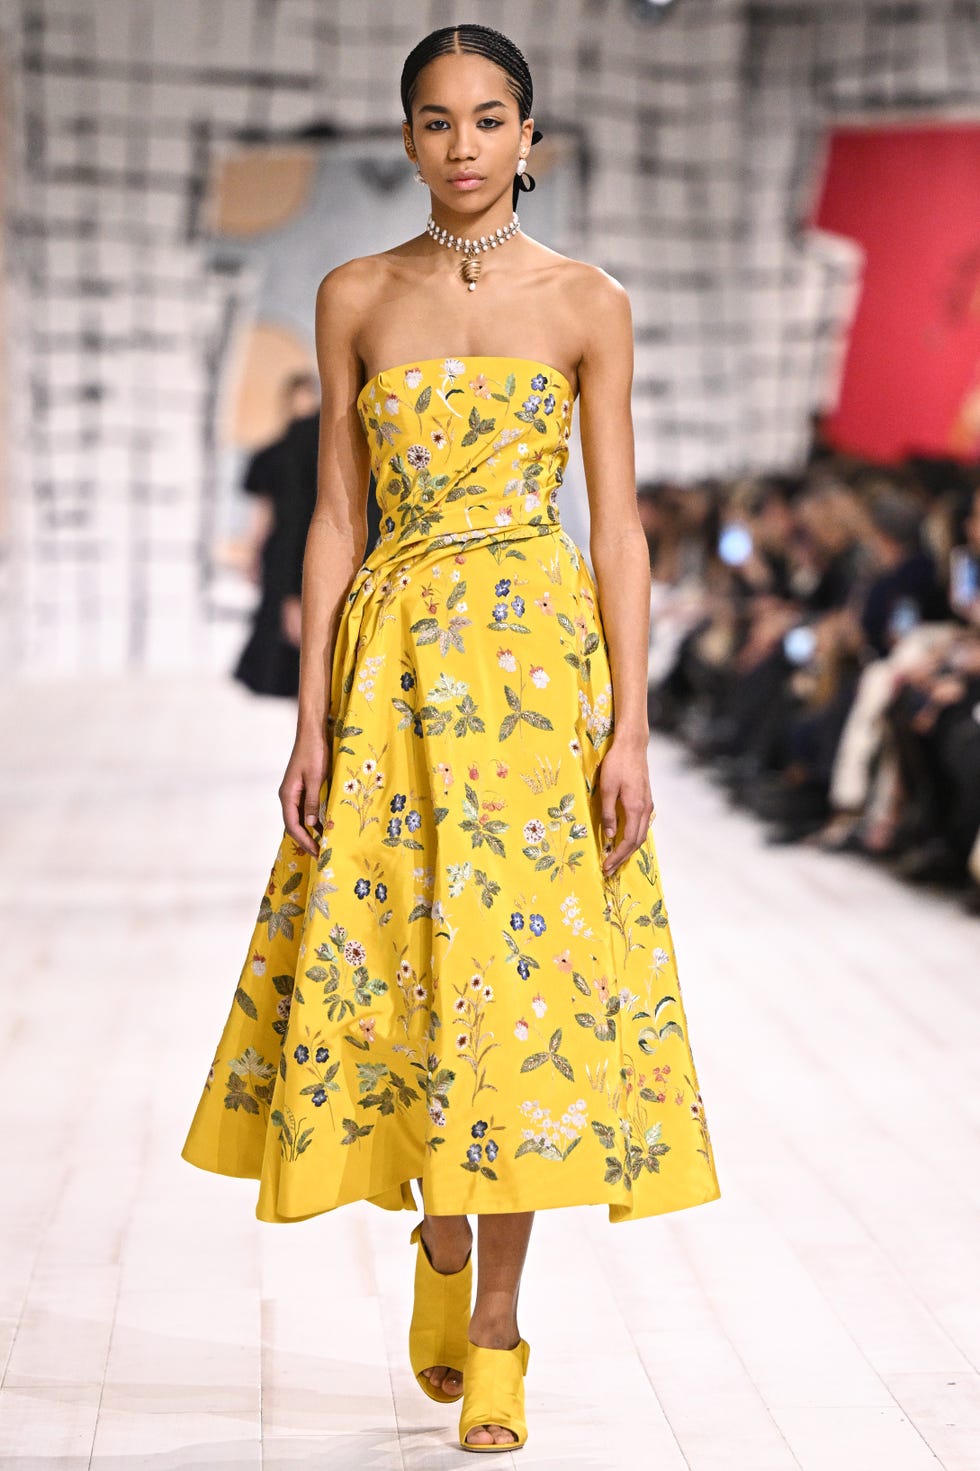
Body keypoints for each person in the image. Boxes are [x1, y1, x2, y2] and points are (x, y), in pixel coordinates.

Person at [182, 22, 721, 1454]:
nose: (467, 143)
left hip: (542, 675)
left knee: (524, 986)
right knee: (417, 964)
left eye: (492, 119)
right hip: (399, 671)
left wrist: (633, 730)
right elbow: (337, 519)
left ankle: (497, 1326)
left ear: (530, 140)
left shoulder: (588, 302)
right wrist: (309, 722)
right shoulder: (353, 292)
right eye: (438, 120)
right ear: (409, 140)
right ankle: (439, 1225)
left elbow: (617, 531)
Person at [233, 371, 320, 697]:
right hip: (282, 547)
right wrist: (253, 553)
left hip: (311, 541)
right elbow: (264, 512)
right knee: (281, 620)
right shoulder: (273, 455)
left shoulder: (323, 458)